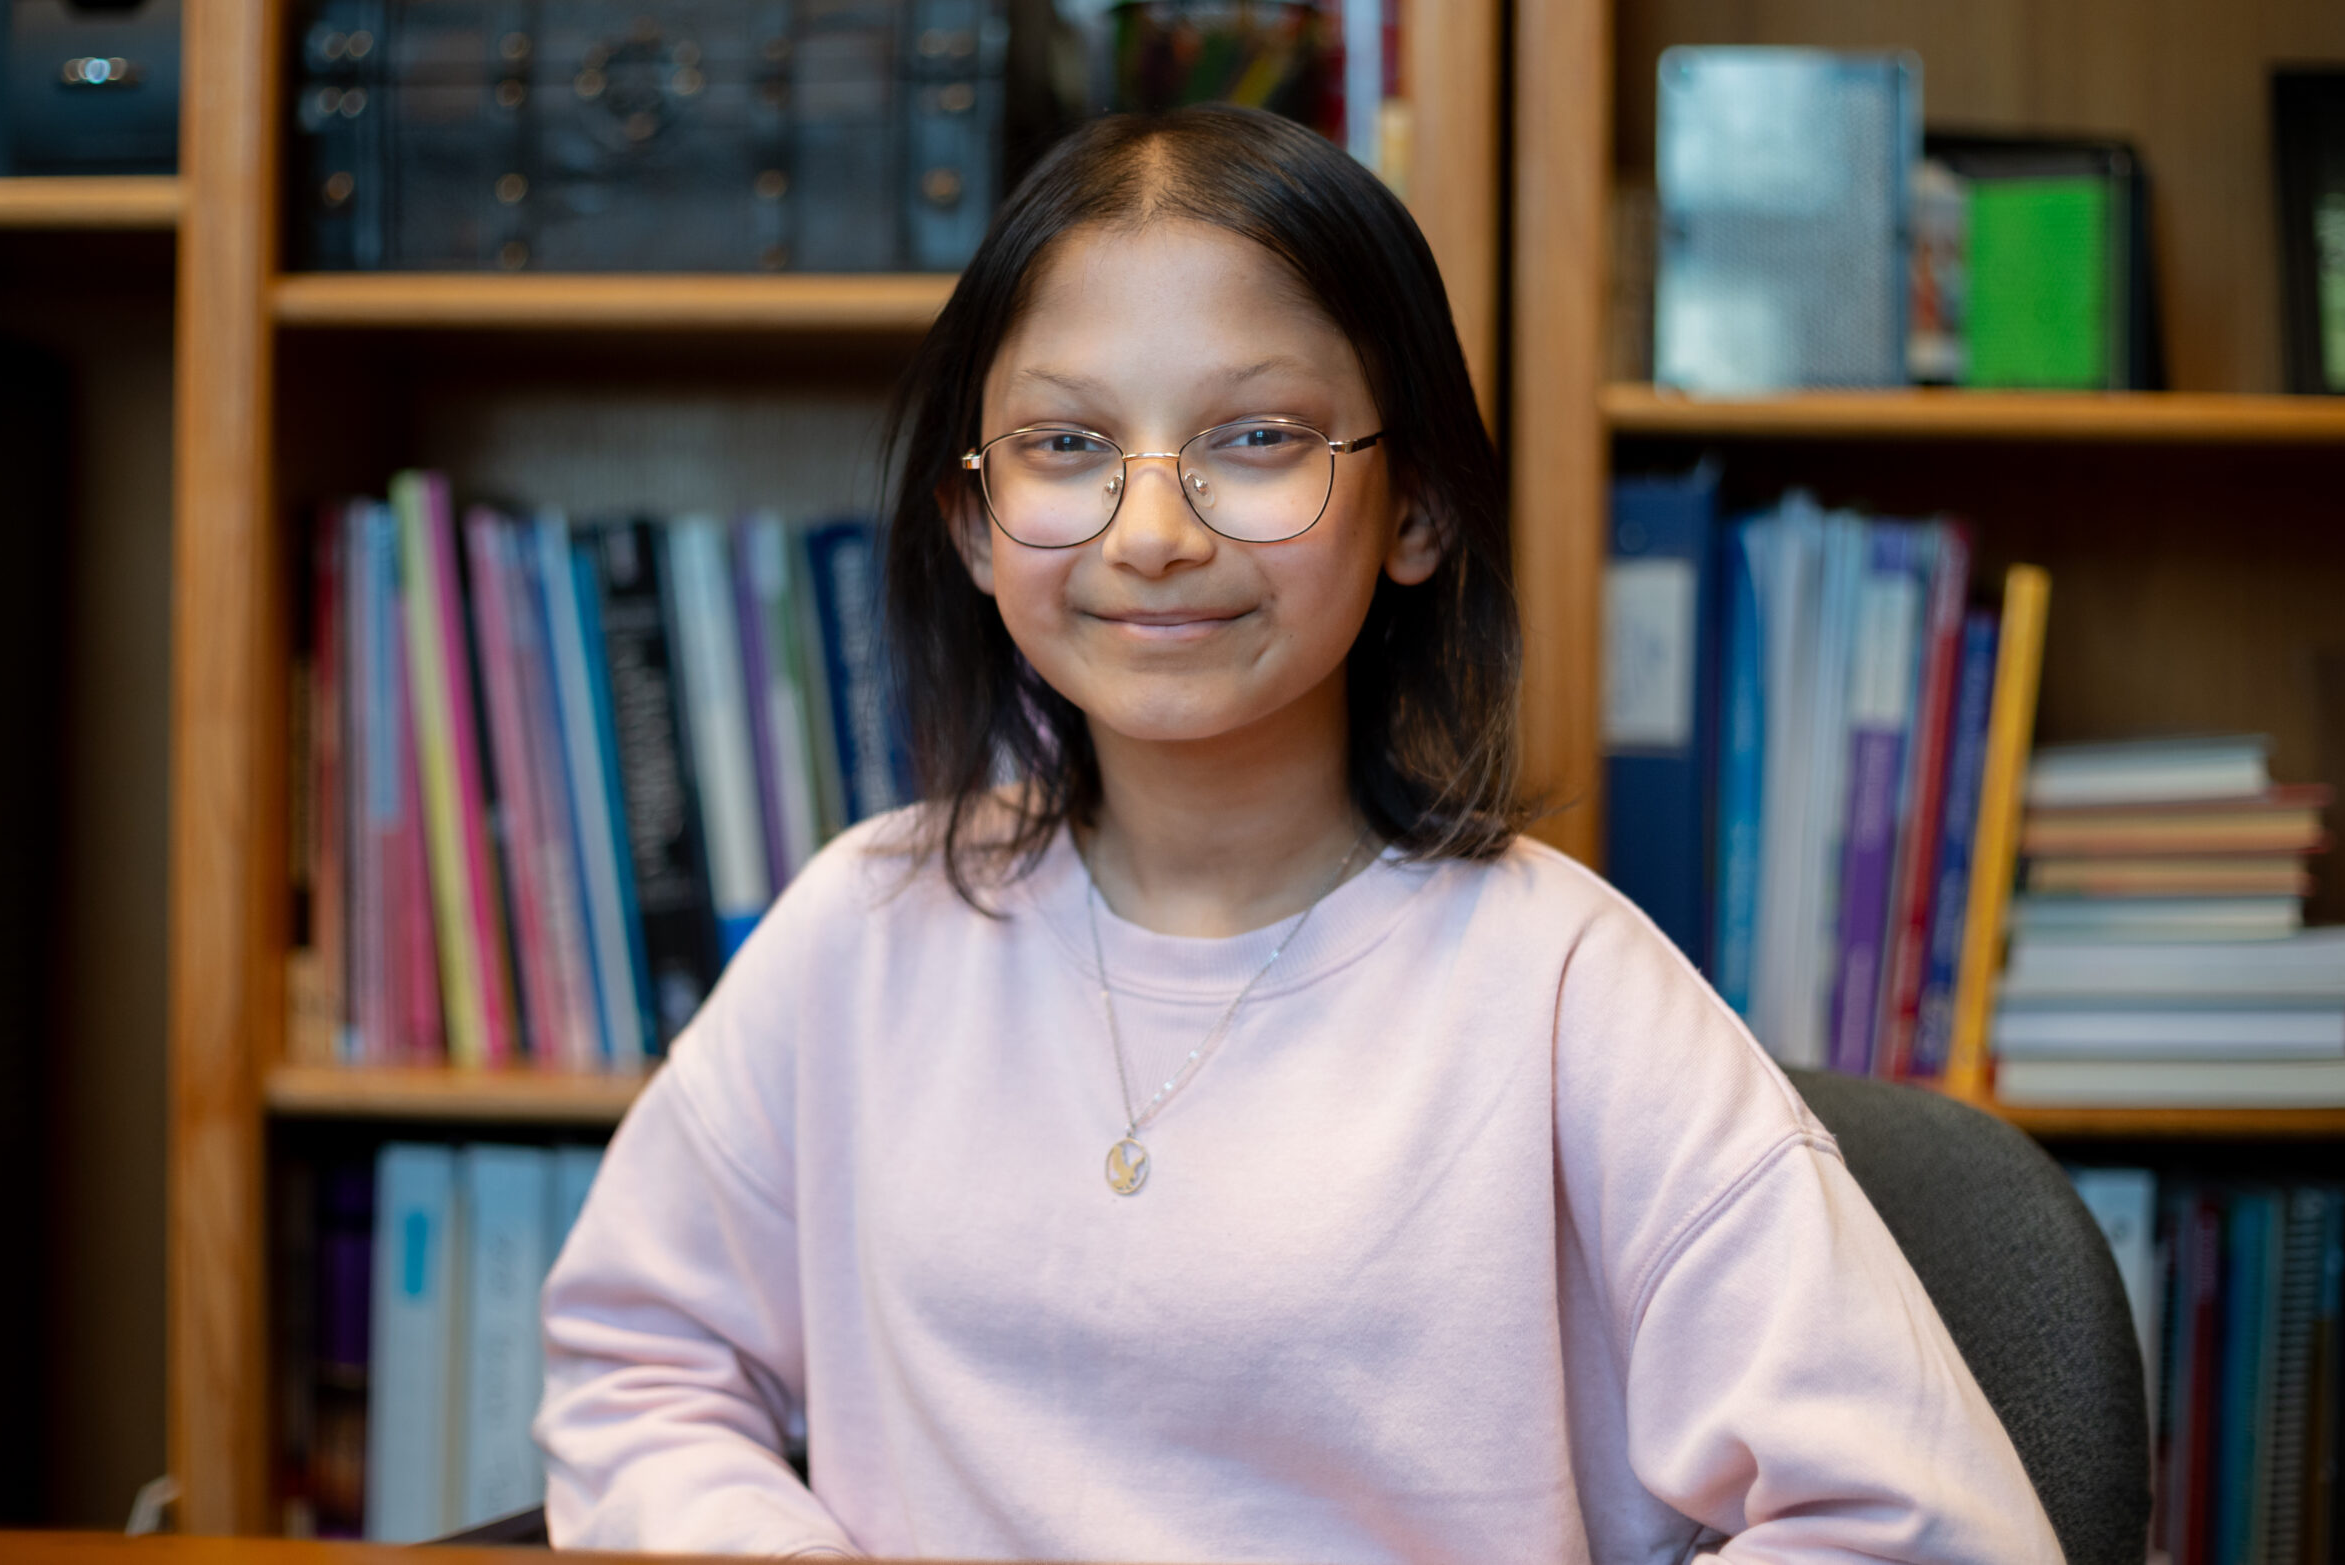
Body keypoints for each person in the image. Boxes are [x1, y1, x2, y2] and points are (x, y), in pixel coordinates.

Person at [535, 106, 2061, 1563]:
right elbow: (636, 1366)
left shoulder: (1562, 989)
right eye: (1065, 446)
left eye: (1256, 435)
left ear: (1416, 513)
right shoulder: (863, 930)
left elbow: (1920, 1526)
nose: (1150, 531)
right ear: (972, 518)